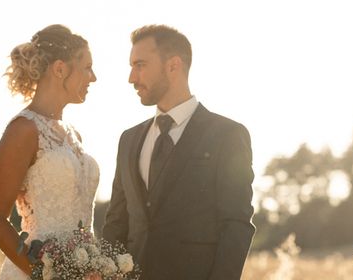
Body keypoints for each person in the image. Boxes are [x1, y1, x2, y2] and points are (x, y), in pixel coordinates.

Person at [103, 25, 255, 280]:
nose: (131, 77)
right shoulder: (129, 140)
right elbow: (116, 223)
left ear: (173, 65)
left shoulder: (227, 135)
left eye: (140, 65)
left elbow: (236, 224)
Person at [0, 24, 99, 279]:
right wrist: (42, 272)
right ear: (60, 69)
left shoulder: (74, 135)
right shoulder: (23, 130)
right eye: (87, 67)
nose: (93, 77)